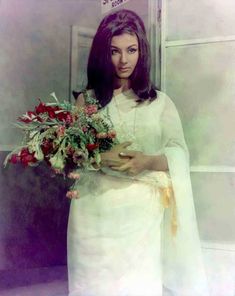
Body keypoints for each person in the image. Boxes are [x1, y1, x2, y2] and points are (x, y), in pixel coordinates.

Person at [67, 9, 210, 296]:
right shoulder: (89, 101)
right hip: (93, 211)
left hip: (140, 215)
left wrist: (148, 161)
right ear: (102, 53)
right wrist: (97, 157)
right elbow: (72, 153)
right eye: (114, 51)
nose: (123, 60)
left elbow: (178, 153)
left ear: (141, 50)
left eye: (131, 50)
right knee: (94, 284)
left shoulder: (160, 103)